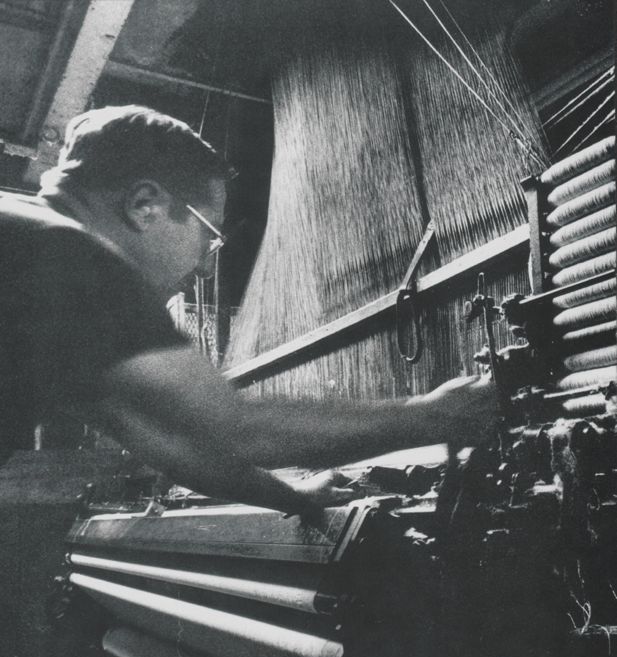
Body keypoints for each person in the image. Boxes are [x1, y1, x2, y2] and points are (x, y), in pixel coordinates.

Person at [0, 105, 496, 521]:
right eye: (208, 234)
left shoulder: (35, 255)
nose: (204, 265)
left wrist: (292, 497)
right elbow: (231, 429)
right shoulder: (71, 257)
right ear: (144, 205)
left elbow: (169, 444)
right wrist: (433, 415)